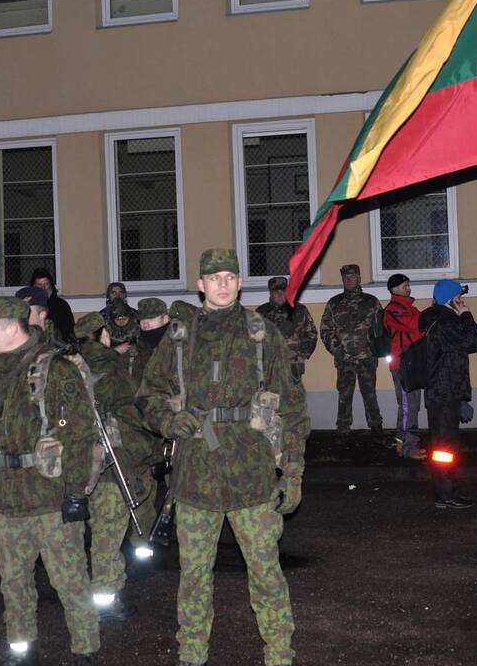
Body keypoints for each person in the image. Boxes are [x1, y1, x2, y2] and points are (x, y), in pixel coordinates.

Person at [138, 249, 310, 666]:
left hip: (251, 472)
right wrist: (167, 421)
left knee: (266, 571)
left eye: (229, 276)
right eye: (213, 277)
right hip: (195, 473)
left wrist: (293, 472)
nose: (221, 284)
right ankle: (192, 653)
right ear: (200, 285)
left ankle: (279, 654)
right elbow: (147, 395)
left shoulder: (261, 334)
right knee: (194, 575)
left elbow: (291, 408)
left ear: (239, 282)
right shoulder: (179, 336)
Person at [0, 297, 100, 665]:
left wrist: (76, 493)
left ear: (11, 326)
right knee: (13, 584)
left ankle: (85, 651)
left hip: (51, 499)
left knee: (71, 582)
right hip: (8, 500)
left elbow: (80, 435)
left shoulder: (57, 369)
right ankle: (22, 648)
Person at [72, 311, 151, 619]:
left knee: (78, 533)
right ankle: (106, 598)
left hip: (76, 464)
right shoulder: (112, 367)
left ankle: (78, 592)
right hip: (107, 463)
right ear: (104, 335)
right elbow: (132, 410)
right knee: (108, 533)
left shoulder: (67, 367)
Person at [419, 280, 477, 507]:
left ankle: (447, 492)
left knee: (445, 447)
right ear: (450, 299)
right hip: (444, 393)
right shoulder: (445, 321)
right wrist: (467, 316)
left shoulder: (439, 319)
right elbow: (472, 343)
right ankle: (446, 495)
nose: (462, 301)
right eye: (459, 298)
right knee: (444, 448)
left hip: (444, 392)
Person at [320, 264, 384, 446]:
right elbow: (326, 330)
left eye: (353, 277)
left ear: (359, 278)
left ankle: (376, 427)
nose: (350, 280)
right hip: (344, 359)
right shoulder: (334, 303)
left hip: (367, 358)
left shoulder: (371, 302)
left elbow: (381, 329)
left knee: (370, 394)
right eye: (346, 277)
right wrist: (337, 350)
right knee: (344, 395)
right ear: (343, 280)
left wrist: (375, 350)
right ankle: (343, 429)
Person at [128, 298, 173, 554]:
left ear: (165, 318)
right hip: (145, 427)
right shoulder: (136, 351)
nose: (146, 322)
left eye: (152, 318)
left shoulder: (177, 348)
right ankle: (143, 540)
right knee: (144, 485)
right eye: (142, 318)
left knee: (179, 483)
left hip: (173, 426)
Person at [382, 274, 426, 460]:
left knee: (409, 405)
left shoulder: (408, 308)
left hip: (411, 364)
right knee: (410, 406)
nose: (408, 288)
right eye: (405, 285)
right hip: (403, 365)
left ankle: (401, 442)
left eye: (408, 284)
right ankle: (409, 448)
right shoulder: (394, 310)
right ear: (394, 289)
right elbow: (417, 328)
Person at [256, 276, 318, 381]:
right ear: (270, 293)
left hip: (293, 364)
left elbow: (311, 334)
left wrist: (302, 355)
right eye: (276, 292)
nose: (280, 295)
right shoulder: (261, 312)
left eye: (283, 291)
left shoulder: (299, 311)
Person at [30, 267, 75, 342]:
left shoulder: (62, 305)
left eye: (46, 284)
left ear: (51, 285)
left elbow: (69, 330)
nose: (43, 288)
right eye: (39, 285)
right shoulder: (27, 306)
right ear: (33, 286)